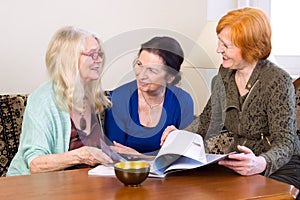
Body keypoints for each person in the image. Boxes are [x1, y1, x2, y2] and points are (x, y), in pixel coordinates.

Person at [161, 7, 300, 190]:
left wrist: (261, 162)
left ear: (250, 46)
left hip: (280, 168)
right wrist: (180, 135)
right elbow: (208, 120)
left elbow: (286, 141)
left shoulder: (276, 80)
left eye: (226, 45)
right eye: (219, 42)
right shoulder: (225, 73)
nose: (219, 50)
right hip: (239, 165)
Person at [7, 26, 114, 176]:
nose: (99, 60)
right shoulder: (43, 99)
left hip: (82, 185)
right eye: (92, 54)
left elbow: (93, 151)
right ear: (69, 59)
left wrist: (114, 153)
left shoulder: (88, 95)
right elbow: (35, 164)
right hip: (36, 188)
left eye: (100, 54)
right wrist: (79, 155)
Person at [104, 36, 194, 155]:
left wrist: (140, 157)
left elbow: (184, 153)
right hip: (127, 172)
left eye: (152, 70)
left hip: (169, 173)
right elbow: (115, 151)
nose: (141, 76)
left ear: (170, 77)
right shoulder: (118, 98)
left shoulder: (183, 101)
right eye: (140, 65)